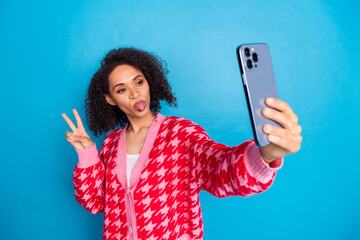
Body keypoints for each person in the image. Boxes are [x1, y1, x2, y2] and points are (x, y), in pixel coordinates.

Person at [62, 47, 302, 240]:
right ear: (110, 99)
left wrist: (267, 153)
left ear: (149, 82)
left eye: (139, 82)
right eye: (122, 89)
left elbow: (220, 168)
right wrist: (87, 153)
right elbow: (94, 203)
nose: (135, 94)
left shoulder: (180, 132)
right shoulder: (111, 144)